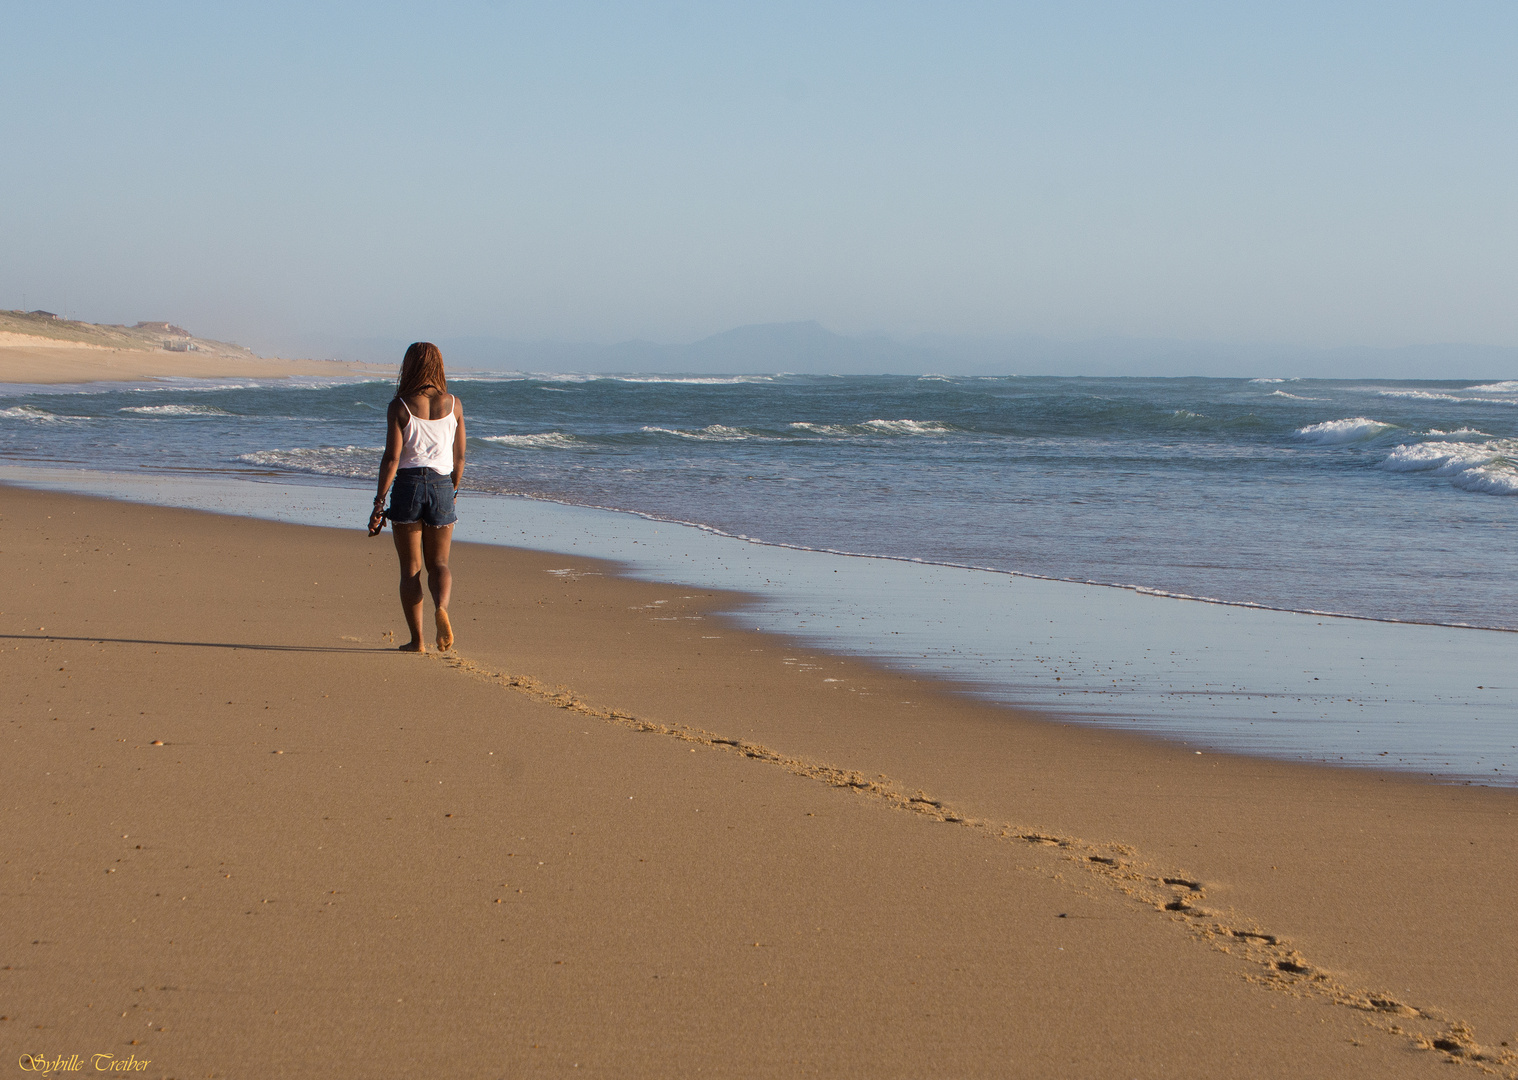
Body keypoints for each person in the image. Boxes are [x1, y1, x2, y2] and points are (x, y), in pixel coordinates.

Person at [369, 342, 465, 652]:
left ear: (409, 366)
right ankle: (442, 608)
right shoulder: (454, 405)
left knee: (411, 568)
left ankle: (417, 641)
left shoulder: (400, 405)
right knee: (439, 563)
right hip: (441, 486)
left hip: (408, 486)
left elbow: (391, 459)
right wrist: (453, 489)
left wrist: (379, 502)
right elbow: (460, 457)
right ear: (438, 366)